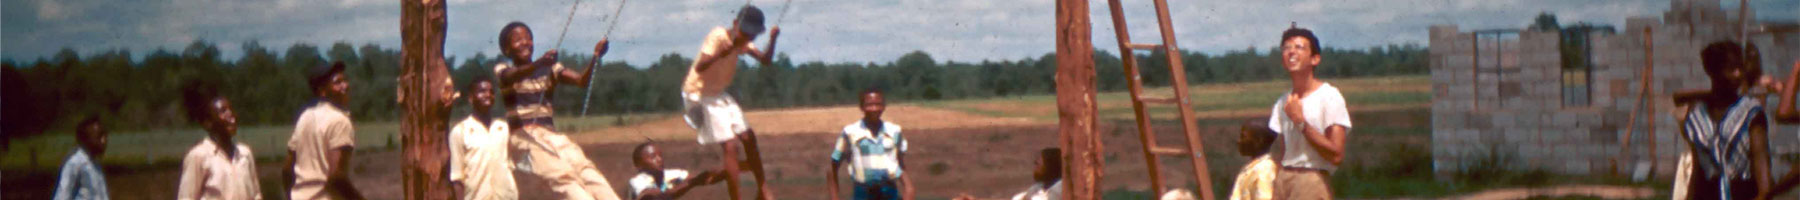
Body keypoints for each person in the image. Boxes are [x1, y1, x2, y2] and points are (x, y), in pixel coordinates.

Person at [492, 21, 618, 200]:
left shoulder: (550, 68)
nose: (525, 42)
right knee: (562, 174)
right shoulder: (504, 69)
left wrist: (595, 57)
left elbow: (581, 81)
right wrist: (539, 63)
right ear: (507, 49)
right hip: (522, 136)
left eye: (529, 38)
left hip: (551, 135)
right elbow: (510, 77)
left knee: (584, 168)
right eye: (518, 40)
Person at [681, 5, 780, 200]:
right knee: (730, 145)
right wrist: (721, 53)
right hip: (698, 95)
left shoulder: (743, 43)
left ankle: (763, 189)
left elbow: (765, 60)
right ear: (735, 25)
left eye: (752, 36)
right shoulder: (718, 36)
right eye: (745, 33)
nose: (748, 39)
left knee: (749, 138)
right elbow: (700, 66)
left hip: (717, 95)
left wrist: (773, 39)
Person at [1671, 41, 1769, 200]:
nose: (1738, 74)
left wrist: (1764, 195)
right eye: (1731, 69)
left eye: (1740, 68)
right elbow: (1698, 169)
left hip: (1742, 193)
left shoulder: (1751, 113)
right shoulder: (1697, 118)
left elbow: (1761, 166)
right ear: (1713, 72)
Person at [1266, 26, 1351, 200]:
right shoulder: (1283, 102)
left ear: (1315, 59)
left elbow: (1336, 154)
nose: (1291, 52)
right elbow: (1283, 152)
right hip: (1284, 180)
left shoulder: (1329, 96)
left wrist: (1300, 122)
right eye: (1287, 48)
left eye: (1299, 47)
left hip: (1312, 180)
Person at [285, 62, 366, 200]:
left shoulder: (305, 117)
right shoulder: (340, 121)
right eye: (337, 82)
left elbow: (287, 170)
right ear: (322, 90)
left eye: (345, 80)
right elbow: (336, 177)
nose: (345, 86)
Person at [176, 81, 263, 200]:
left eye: (231, 110)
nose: (230, 115)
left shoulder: (245, 154)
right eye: (222, 111)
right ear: (208, 123)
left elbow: (256, 194)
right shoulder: (198, 156)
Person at [827, 90, 913, 200]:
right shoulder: (850, 132)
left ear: (884, 106)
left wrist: (909, 188)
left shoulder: (894, 131)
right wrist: (834, 197)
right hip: (863, 193)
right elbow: (832, 167)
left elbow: (899, 162)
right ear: (861, 107)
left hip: (890, 191)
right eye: (869, 105)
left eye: (878, 104)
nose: (874, 108)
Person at [449, 76, 517, 200]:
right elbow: (457, 177)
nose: (488, 95)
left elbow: (509, 165)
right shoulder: (460, 131)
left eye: (491, 92)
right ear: (471, 98)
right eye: (482, 91)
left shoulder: (503, 128)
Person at [629, 143, 725, 200]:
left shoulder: (671, 174)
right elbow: (660, 196)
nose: (659, 159)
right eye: (653, 157)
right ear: (639, 165)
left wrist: (727, 172)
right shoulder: (637, 182)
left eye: (660, 156)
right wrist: (692, 182)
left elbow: (702, 179)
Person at [53, 117, 109, 200]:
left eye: (105, 136)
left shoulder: (95, 164)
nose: (104, 141)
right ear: (86, 139)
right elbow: (62, 196)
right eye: (99, 137)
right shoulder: (75, 163)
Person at [1231, 120, 1278, 200]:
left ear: (1259, 141)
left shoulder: (1264, 169)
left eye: (1243, 137)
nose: (1239, 141)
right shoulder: (1252, 168)